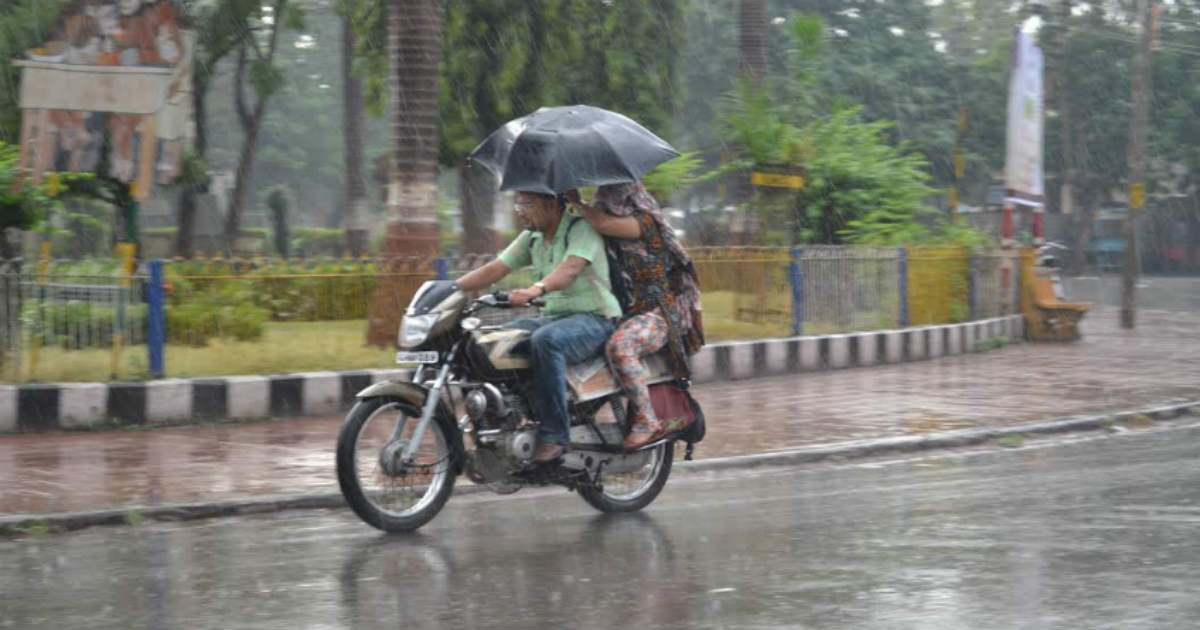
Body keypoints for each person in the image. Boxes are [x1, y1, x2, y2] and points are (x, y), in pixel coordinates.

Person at [455, 191, 622, 463]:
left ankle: (555, 435)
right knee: (490, 342)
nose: (520, 211)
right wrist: (451, 288)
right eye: (518, 204)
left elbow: (570, 269)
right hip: (556, 318)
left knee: (547, 341)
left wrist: (537, 288)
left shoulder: (582, 230)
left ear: (551, 205)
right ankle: (510, 418)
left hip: (595, 319)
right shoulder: (532, 237)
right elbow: (496, 268)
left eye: (527, 204)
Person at [567, 182, 704, 450]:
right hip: (623, 310)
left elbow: (604, 224)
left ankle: (646, 420)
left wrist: (577, 202)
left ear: (630, 197)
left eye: (612, 196)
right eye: (603, 197)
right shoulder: (600, 220)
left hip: (658, 312)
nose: (604, 200)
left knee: (621, 346)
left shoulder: (644, 222)